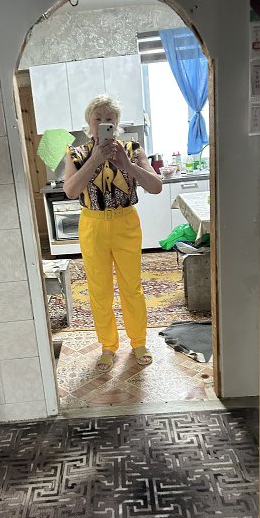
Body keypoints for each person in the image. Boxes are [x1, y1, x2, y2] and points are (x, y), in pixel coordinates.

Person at [63, 94, 162, 372]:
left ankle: (139, 342)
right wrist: (95, 159)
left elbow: (156, 187)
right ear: (89, 122)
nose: (103, 122)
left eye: (110, 118)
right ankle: (108, 346)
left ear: (117, 123)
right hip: (93, 224)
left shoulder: (132, 150)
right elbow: (70, 191)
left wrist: (128, 166)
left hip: (125, 223)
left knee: (132, 287)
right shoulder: (76, 154)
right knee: (99, 290)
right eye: (98, 118)